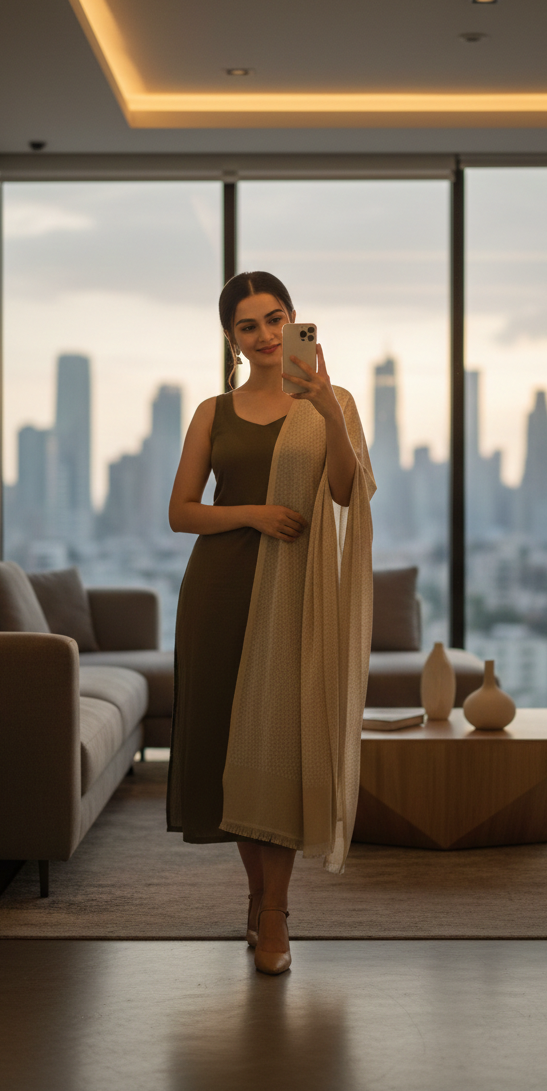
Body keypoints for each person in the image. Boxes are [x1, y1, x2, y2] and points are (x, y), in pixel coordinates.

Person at [167, 271, 375, 975]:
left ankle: (278, 913)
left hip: (295, 595)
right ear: (231, 337)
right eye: (248, 325)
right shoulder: (211, 411)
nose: (265, 335)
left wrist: (326, 408)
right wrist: (254, 513)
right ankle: (257, 900)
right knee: (233, 753)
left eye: (276, 318)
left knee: (276, 750)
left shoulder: (332, 401)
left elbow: (347, 493)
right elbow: (182, 512)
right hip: (220, 591)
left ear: (295, 322)